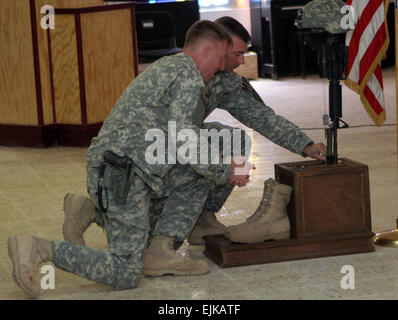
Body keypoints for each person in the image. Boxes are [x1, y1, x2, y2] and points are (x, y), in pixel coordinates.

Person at [7, 20, 239, 299]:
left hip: (130, 172)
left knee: (194, 179)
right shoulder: (188, 77)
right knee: (125, 272)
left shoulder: (171, 66)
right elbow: (185, 139)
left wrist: (215, 166)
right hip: (121, 177)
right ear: (207, 50)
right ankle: (40, 248)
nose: (222, 66)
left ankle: (145, 243)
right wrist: (226, 171)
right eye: (222, 58)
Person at [62, 16, 327, 248]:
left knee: (232, 139)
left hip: (174, 145)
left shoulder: (228, 82)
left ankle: (203, 218)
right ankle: (91, 211)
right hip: (149, 152)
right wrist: (222, 170)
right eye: (234, 54)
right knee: (153, 225)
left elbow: (263, 118)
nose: (240, 61)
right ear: (215, 49)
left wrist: (304, 145)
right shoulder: (182, 72)